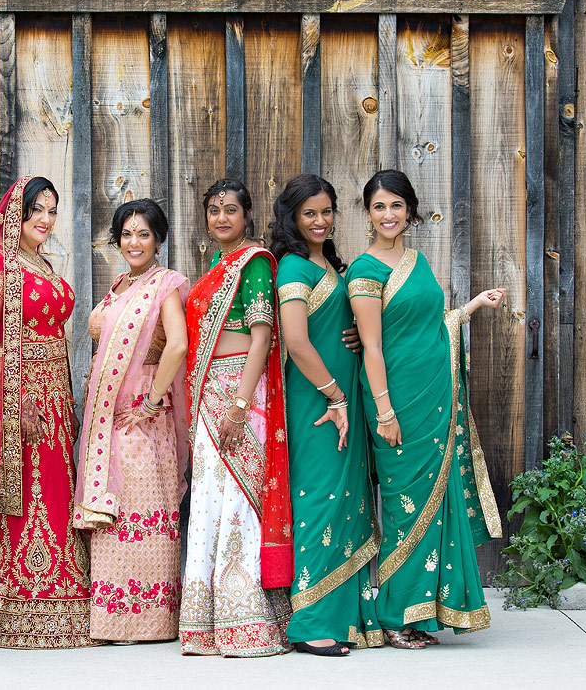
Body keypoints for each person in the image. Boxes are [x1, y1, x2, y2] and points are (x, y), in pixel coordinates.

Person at [347, 169, 505, 649]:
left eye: (396, 205)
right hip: (396, 403)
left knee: (435, 507)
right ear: (368, 213)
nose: (388, 214)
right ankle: (395, 614)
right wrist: (385, 412)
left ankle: (424, 611)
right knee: (405, 506)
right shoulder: (364, 271)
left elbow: (430, 323)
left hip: (435, 398)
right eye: (379, 206)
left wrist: (472, 306)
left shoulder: (416, 260)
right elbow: (372, 347)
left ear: (410, 211)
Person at [0, 176, 94, 649]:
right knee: (21, 486)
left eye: (52, 211)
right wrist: (18, 398)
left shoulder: (42, 264)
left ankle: (60, 588)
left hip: (52, 390)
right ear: (16, 213)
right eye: (36, 210)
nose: (45, 220)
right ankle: (4, 599)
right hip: (17, 393)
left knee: (53, 483)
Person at [179, 179, 293, 657]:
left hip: (241, 394)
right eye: (213, 210)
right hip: (210, 393)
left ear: (247, 215)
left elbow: (263, 337)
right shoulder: (215, 267)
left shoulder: (255, 263)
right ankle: (209, 625)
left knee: (242, 500)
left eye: (230, 210)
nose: (221, 218)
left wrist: (240, 403)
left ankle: (248, 621)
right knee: (209, 500)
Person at [271, 174, 382, 656]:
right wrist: (335, 396)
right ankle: (310, 622)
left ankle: (348, 619)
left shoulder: (327, 264)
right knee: (318, 499)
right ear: (293, 218)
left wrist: (354, 334)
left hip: (344, 399)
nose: (320, 221)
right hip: (319, 402)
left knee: (346, 501)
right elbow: (296, 342)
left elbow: (333, 324)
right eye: (309, 213)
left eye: (327, 211)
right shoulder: (293, 268)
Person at [74, 199, 189, 644]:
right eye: (126, 234)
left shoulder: (165, 285)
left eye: (143, 234)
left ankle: (149, 621)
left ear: (158, 239)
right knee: (114, 509)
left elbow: (176, 345)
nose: (134, 242)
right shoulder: (121, 283)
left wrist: (151, 399)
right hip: (108, 413)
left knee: (142, 506)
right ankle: (113, 619)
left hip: (142, 414)